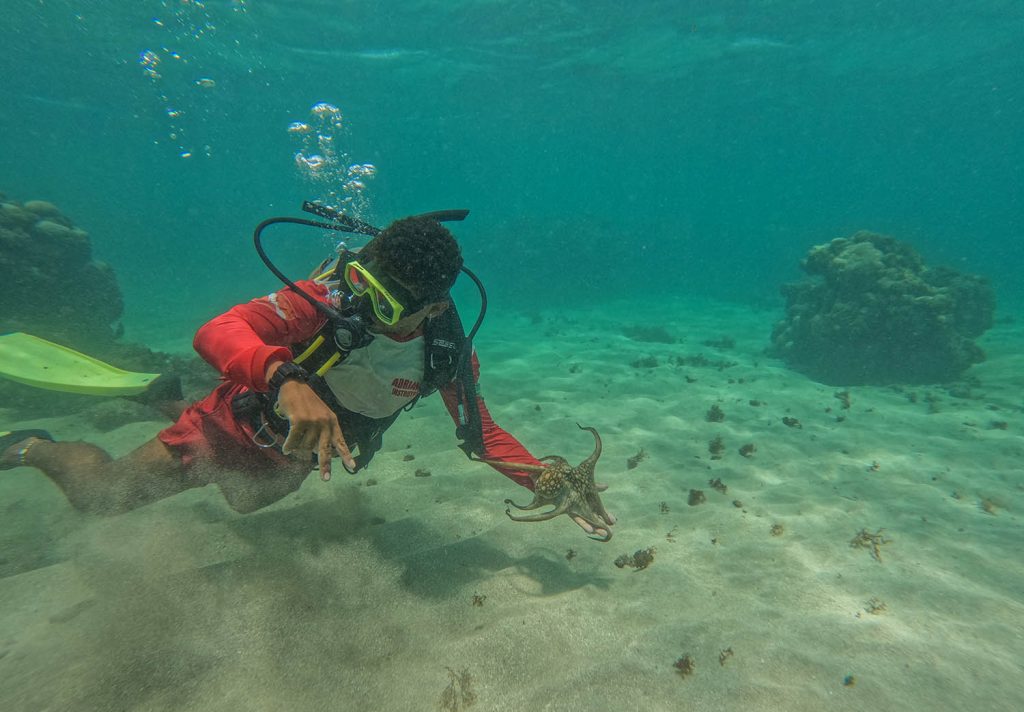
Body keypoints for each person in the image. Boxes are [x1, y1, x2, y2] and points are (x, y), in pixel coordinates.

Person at [0, 215, 614, 539]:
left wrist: (547, 476)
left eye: (392, 307)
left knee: (243, 503)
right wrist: (284, 377)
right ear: (360, 269)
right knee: (101, 499)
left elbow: (482, 433)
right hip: (225, 428)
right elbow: (216, 332)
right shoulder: (322, 299)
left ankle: (161, 399)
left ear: (434, 308)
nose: (368, 311)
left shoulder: (447, 355)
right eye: (365, 289)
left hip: (291, 460)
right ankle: (31, 446)